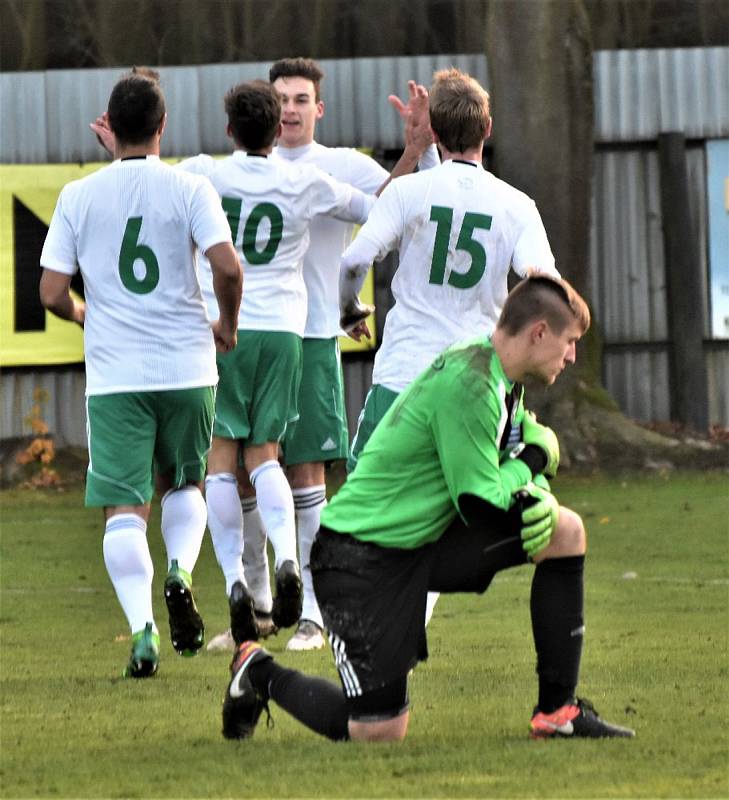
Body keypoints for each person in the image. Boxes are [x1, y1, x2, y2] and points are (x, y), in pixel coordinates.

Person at [221, 275, 636, 742]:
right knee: (377, 732)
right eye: (570, 341)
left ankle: (558, 712)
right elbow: (482, 503)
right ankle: (257, 671)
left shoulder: (499, 377)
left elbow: (509, 463)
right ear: (539, 332)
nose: (573, 355)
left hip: (417, 545)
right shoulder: (472, 382)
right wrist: (537, 461)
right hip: (356, 559)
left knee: (564, 531)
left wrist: (532, 475)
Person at [207, 58, 437, 653]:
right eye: (280, 97)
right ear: (267, 107)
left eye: (301, 98)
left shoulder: (337, 165)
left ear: (319, 108)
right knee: (245, 474)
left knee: (304, 470)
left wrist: (413, 153)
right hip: (270, 334)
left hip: (307, 336)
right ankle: (257, 606)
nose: (290, 108)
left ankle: (314, 611)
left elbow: (385, 204)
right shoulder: (258, 173)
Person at [40, 69, 242, 678]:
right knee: (185, 484)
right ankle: (180, 568)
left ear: (112, 125)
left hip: (116, 375)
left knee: (124, 506)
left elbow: (50, 291)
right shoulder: (190, 188)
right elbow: (227, 268)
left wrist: (85, 316)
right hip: (185, 364)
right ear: (163, 126)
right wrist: (226, 324)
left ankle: (143, 629)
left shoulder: (79, 195)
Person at [178, 80, 390, 646]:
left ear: (229, 130)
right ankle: (289, 561)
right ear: (277, 131)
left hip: (226, 328)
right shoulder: (304, 180)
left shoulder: (205, 172)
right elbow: (378, 209)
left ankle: (236, 585)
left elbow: (148, 186)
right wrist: (417, 156)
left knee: (223, 464)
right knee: (269, 455)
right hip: (285, 333)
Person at [341, 68, 559, 475]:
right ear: (488, 128)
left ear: (435, 133)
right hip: (476, 379)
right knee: (469, 502)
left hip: (405, 374)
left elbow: (354, 261)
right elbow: (545, 283)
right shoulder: (517, 204)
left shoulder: (407, 191)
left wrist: (349, 311)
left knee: (365, 502)